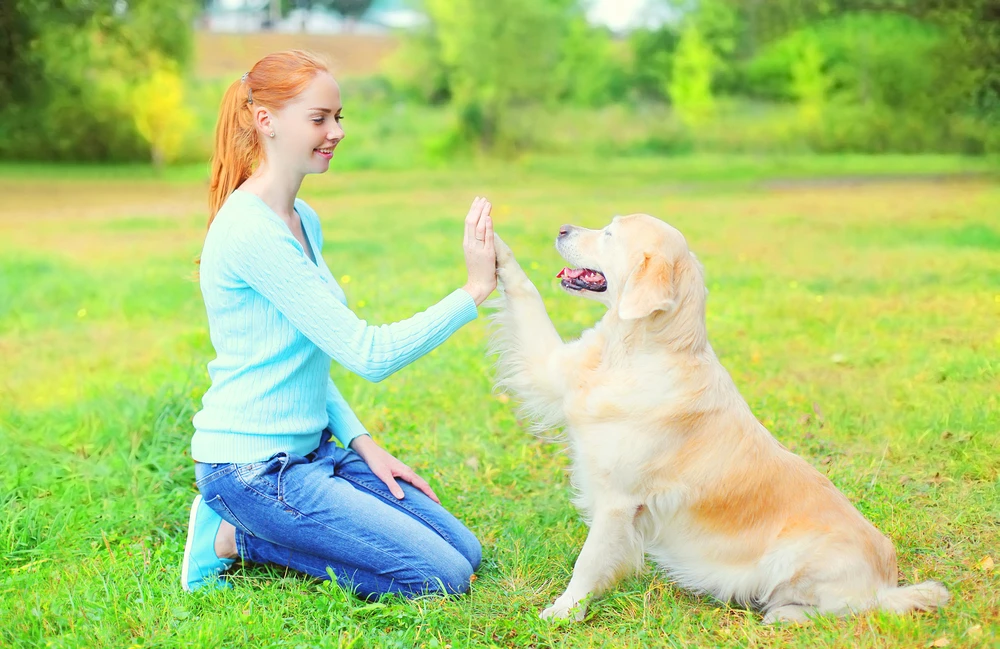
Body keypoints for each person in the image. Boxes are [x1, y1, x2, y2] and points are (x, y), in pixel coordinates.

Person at [180, 50, 497, 598]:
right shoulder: (250, 231)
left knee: (466, 552)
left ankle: (261, 523)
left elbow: (303, 355)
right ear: (266, 121)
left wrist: (363, 442)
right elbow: (368, 354)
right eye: (319, 118)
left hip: (314, 452)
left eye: (339, 116)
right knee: (441, 579)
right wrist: (473, 291)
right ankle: (233, 537)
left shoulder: (303, 220)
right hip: (254, 471)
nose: (336, 132)